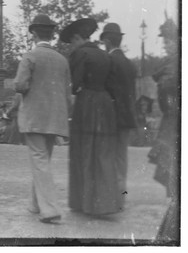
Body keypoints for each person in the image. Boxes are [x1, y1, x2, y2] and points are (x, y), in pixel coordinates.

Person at [14, 14, 71, 224]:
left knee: (39, 161)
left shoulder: (30, 57)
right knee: (43, 160)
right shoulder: (62, 60)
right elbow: (67, 93)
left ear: (35, 33)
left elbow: (20, 85)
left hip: (34, 117)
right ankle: (36, 204)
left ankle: (51, 210)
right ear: (51, 34)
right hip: (55, 118)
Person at [60, 18, 120, 215]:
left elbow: (74, 84)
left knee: (83, 151)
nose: (72, 45)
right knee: (102, 153)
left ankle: (84, 204)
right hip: (105, 105)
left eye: (72, 41)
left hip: (86, 104)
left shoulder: (80, 54)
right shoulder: (104, 55)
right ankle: (106, 203)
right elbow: (112, 86)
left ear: (77, 37)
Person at [147, 17, 180, 242]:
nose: (167, 44)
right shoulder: (173, 62)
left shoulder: (174, 63)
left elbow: (165, 95)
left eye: (169, 39)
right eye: (165, 40)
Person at [100, 23, 138, 210]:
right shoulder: (130, 64)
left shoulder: (108, 61)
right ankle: (122, 197)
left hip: (111, 118)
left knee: (108, 156)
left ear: (107, 41)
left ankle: (112, 197)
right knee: (122, 158)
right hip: (127, 117)